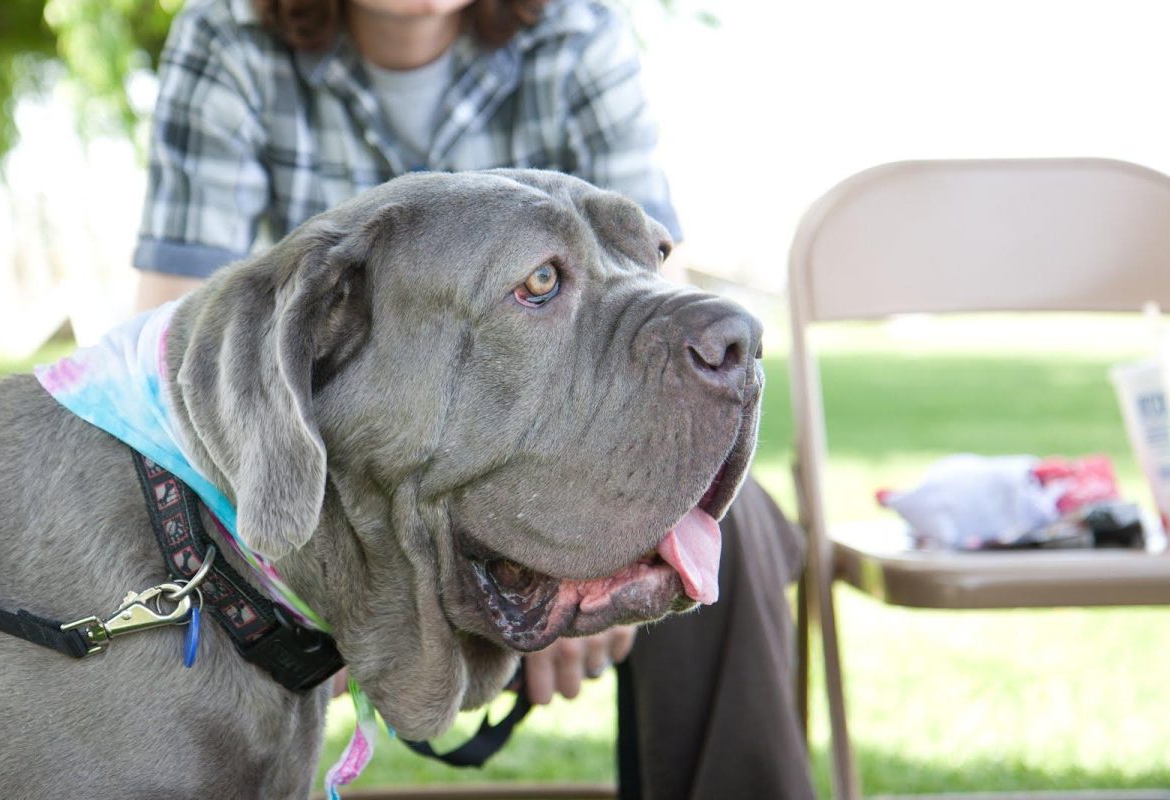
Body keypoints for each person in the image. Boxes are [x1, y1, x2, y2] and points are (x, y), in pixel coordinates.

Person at [134, 1, 816, 798]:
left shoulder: (575, 32)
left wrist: (570, 535)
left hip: (554, 442)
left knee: (737, 527)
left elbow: (651, 307)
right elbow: (173, 344)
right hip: (309, 485)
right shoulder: (231, 34)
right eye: (538, 278)